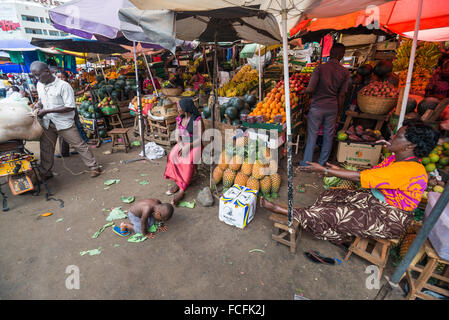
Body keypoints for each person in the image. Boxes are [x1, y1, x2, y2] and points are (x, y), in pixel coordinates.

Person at [261, 120, 439, 243]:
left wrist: (325, 170)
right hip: (377, 201)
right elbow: (370, 174)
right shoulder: (396, 160)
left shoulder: (409, 170)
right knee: (331, 194)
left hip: (390, 218)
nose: (391, 138)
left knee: (331, 213)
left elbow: (362, 178)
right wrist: (338, 170)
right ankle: (335, 230)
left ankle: (282, 210)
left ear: (410, 146)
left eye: (397, 137)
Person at [30, 61, 101, 179]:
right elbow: (42, 100)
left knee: (79, 145)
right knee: (46, 148)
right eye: (34, 76)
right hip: (47, 123)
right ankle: (45, 172)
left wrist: (47, 111)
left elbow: (70, 106)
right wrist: (38, 105)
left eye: (38, 75)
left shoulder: (64, 86)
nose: (37, 78)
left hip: (64, 123)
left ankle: (94, 167)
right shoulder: (40, 85)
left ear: (47, 72)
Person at [299, 43, 350, 167]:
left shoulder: (320, 69)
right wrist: (339, 112)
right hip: (332, 107)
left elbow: (310, 89)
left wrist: (302, 91)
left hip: (317, 107)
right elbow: (342, 95)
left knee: (312, 135)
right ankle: (322, 163)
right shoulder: (345, 72)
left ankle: (307, 163)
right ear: (342, 56)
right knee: (328, 136)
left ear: (331, 52)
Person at [164, 98, 204, 206]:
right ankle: (178, 181)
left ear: (185, 108)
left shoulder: (197, 120)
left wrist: (188, 147)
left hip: (195, 144)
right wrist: (181, 146)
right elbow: (177, 135)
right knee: (173, 155)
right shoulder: (179, 119)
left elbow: (200, 139)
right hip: (183, 143)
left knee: (187, 160)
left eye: (179, 107)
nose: (178, 109)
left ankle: (182, 189)